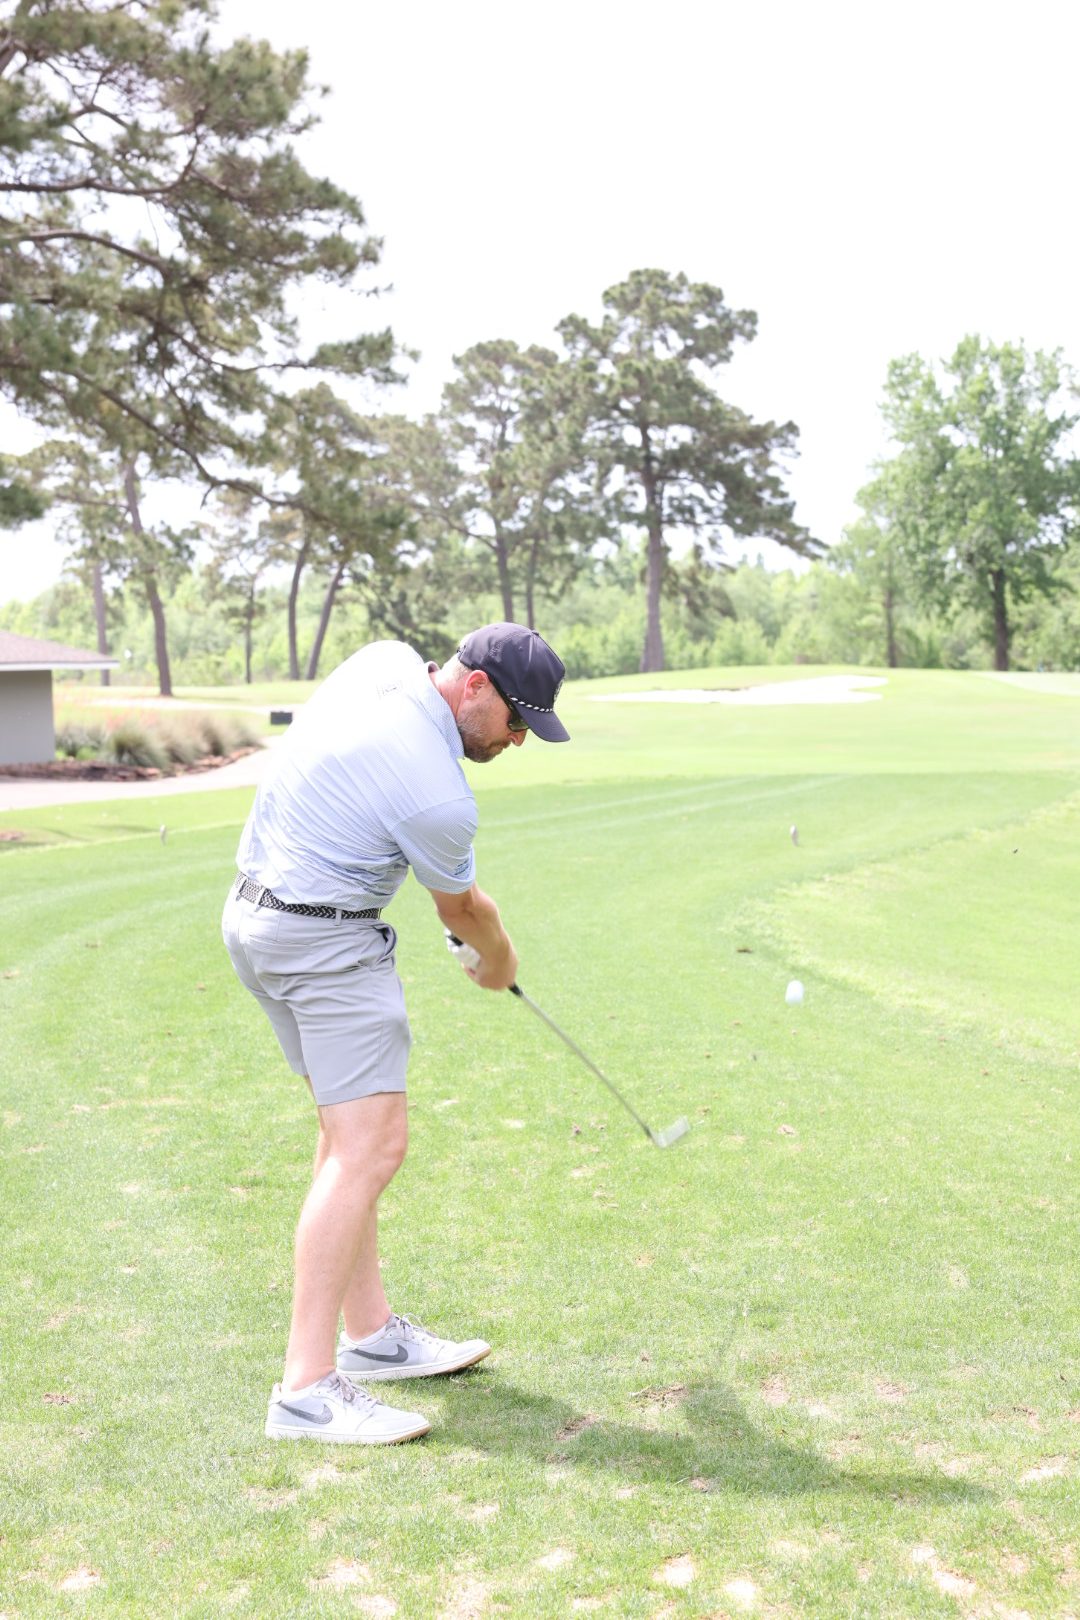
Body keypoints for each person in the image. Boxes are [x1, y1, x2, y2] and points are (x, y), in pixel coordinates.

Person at [221, 622, 569, 1444]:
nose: (518, 740)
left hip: (255, 919)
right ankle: (306, 1392)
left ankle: (371, 1336)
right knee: (372, 1148)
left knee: (346, 1137)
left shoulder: (380, 662)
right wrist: (499, 961)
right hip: (325, 945)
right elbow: (465, 911)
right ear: (475, 686)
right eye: (516, 721)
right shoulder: (441, 794)